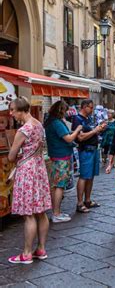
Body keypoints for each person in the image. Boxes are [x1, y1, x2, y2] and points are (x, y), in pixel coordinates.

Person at [7, 98, 51, 264]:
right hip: (39, 169)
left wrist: (17, 152)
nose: (11, 113)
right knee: (40, 211)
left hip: (27, 171)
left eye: (12, 110)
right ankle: (41, 249)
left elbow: (11, 156)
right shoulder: (38, 124)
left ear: (21, 110)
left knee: (28, 214)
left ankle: (26, 253)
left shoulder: (23, 130)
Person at [44, 101, 83, 223]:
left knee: (56, 185)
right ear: (61, 111)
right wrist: (77, 130)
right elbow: (68, 138)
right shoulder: (56, 123)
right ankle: (56, 213)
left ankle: (56, 212)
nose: (66, 114)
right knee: (60, 186)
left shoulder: (51, 122)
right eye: (65, 111)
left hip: (55, 156)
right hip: (61, 156)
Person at [72, 99, 107, 213]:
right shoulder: (77, 119)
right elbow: (80, 137)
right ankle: (79, 203)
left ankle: (88, 200)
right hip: (85, 151)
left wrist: (99, 130)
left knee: (91, 176)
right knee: (84, 176)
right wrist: (94, 131)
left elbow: (92, 132)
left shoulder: (89, 119)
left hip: (94, 149)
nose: (92, 110)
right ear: (84, 107)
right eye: (91, 107)